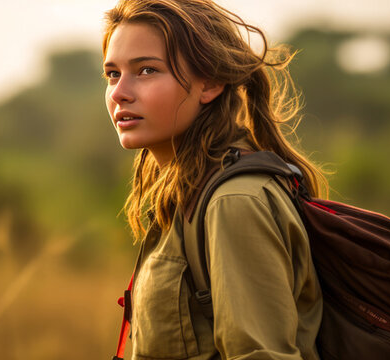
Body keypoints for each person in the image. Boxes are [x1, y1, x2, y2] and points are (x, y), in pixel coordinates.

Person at [102, 0, 328, 359]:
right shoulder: (187, 193)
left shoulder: (234, 201)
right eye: (112, 73)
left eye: (146, 71)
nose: (119, 93)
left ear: (209, 84)